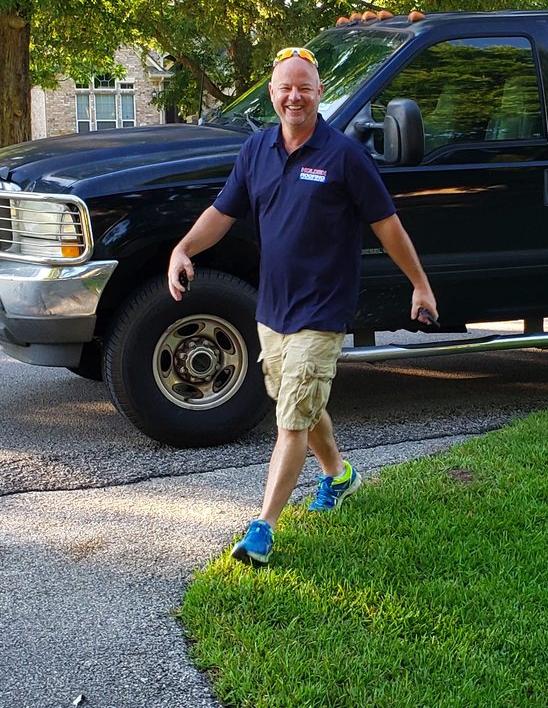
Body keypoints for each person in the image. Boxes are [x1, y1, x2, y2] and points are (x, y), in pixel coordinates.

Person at [167, 45, 437, 567]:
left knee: (290, 418)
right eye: (285, 87)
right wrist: (183, 248)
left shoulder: (344, 156)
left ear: (319, 95)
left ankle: (262, 528)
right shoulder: (256, 151)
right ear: (273, 94)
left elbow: (388, 227)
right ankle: (340, 477)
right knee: (300, 405)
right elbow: (223, 212)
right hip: (273, 309)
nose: (295, 96)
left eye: (305, 88)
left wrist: (419, 285)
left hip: (322, 309)